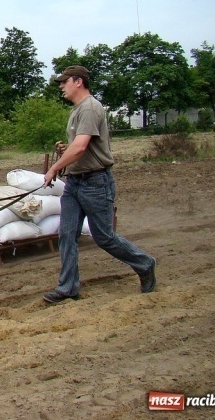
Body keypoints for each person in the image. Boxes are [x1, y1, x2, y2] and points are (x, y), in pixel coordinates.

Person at [42, 65, 156, 304]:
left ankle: (144, 263)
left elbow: (82, 146)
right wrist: (65, 152)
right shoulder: (76, 111)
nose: (61, 87)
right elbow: (78, 147)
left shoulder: (91, 108)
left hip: (95, 182)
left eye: (64, 82)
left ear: (78, 82)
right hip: (74, 183)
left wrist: (54, 167)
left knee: (104, 237)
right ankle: (68, 288)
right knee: (67, 234)